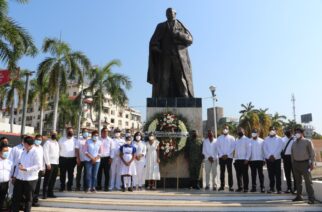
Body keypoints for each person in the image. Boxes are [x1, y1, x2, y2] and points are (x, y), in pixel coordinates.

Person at [147, 7, 194, 98]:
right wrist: (156, 48)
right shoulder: (161, 26)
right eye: (168, 13)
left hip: (179, 57)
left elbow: (190, 39)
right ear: (166, 15)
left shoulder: (180, 25)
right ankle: (162, 97)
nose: (170, 14)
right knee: (164, 78)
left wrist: (178, 34)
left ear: (175, 14)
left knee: (180, 77)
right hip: (165, 57)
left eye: (172, 13)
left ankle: (185, 96)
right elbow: (153, 42)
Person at [11, 136, 42, 212]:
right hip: (20, 178)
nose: (22, 144)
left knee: (28, 199)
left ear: (27, 144)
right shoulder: (23, 151)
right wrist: (15, 176)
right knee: (16, 198)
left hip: (30, 180)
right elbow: (19, 164)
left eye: (23, 143)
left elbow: (38, 166)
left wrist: (26, 169)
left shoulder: (36, 152)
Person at [291, 128, 316, 204]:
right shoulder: (294, 143)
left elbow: (312, 153)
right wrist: (293, 163)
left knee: (308, 181)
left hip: (305, 164)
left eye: (298, 132)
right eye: (295, 132)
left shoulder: (307, 141)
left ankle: (311, 198)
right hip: (296, 164)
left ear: (302, 133)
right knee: (298, 182)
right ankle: (299, 196)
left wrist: (312, 163)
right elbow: (292, 154)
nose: (296, 134)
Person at [263, 126, 284, 194]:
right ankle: (271, 188)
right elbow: (264, 148)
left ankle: (279, 189)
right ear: (268, 131)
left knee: (278, 175)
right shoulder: (266, 139)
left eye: (273, 129)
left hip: (277, 159)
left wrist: (274, 156)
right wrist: (269, 156)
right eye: (270, 129)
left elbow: (280, 148)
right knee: (270, 174)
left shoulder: (280, 139)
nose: (272, 130)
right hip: (269, 159)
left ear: (276, 131)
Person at [216, 125, 235, 191]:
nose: (225, 129)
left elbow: (233, 147)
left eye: (226, 128)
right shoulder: (219, 138)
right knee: (222, 172)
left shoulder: (232, 138)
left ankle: (231, 186)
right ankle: (222, 186)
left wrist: (227, 154)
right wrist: (222, 154)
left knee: (230, 172)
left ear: (228, 130)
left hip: (229, 157)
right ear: (222, 129)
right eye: (224, 128)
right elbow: (218, 147)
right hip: (221, 157)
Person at [58, 127, 77, 191]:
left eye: (71, 131)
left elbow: (77, 150)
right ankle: (62, 187)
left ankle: (69, 187)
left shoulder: (75, 140)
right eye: (69, 131)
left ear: (73, 132)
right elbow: (58, 149)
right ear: (66, 131)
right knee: (62, 174)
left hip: (72, 160)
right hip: (63, 159)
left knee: (70, 174)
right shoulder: (61, 139)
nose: (70, 132)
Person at [43, 131, 59, 199]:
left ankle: (50, 192)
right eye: (53, 134)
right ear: (50, 134)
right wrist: (48, 163)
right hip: (50, 163)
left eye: (55, 134)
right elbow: (45, 153)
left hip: (56, 163)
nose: (54, 135)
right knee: (47, 179)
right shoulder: (47, 142)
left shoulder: (56, 143)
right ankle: (44, 194)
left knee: (53, 179)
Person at [234, 127, 251, 192]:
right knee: (238, 175)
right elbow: (235, 150)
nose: (239, 132)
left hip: (244, 159)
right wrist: (235, 159)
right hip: (237, 159)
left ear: (243, 131)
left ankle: (246, 188)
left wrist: (247, 159)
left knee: (245, 175)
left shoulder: (247, 139)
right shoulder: (236, 140)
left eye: (240, 130)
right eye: (238, 130)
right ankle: (240, 187)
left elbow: (249, 150)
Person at [97, 127, 113, 191]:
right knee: (99, 173)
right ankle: (99, 186)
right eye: (104, 131)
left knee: (107, 173)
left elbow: (112, 150)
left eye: (106, 132)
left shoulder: (110, 140)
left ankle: (106, 187)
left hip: (107, 158)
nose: (105, 133)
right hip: (99, 158)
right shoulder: (98, 139)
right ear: (101, 132)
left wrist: (111, 158)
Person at [281, 128, 296, 193]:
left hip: (293, 157)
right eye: (287, 131)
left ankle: (296, 188)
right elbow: (281, 148)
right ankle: (289, 188)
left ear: (291, 132)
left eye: (289, 131)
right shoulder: (282, 139)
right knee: (287, 174)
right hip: (286, 157)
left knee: (295, 174)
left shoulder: (295, 139)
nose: (288, 132)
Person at [32, 135, 44, 206]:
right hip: (33, 170)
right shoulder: (32, 147)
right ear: (34, 139)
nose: (38, 141)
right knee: (32, 186)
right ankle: (30, 200)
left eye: (40, 140)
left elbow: (42, 159)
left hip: (39, 170)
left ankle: (35, 200)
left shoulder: (41, 148)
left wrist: (43, 168)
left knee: (37, 186)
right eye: (37, 139)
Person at [0, 142, 11, 210]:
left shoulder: (10, 161)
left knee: (2, 199)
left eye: (7, 151)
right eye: (4, 151)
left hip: (5, 183)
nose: (6, 153)